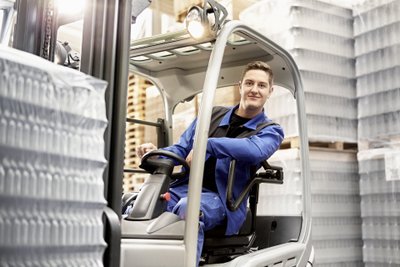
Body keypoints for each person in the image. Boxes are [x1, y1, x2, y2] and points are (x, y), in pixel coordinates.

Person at [136, 61, 284, 265]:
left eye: (261, 85)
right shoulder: (212, 115)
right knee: (138, 204)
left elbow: (254, 150)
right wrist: (156, 154)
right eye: (249, 83)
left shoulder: (271, 130)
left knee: (188, 207)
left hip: (223, 201)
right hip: (184, 188)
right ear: (240, 86)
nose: (254, 90)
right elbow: (182, 149)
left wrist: (208, 144)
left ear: (270, 91)